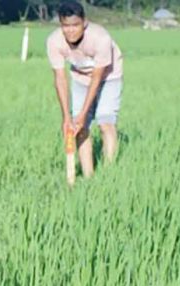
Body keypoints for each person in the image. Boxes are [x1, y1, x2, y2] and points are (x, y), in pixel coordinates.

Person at [46, 0, 123, 178]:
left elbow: (96, 78)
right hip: (80, 78)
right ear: (60, 24)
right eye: (66, 26)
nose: (71, 30)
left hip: (108, 76)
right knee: (78, 128)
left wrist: (83, 114)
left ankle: (109, 174)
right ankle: (89, 177)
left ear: (84, 23)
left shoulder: (100, 38)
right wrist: (67, 117)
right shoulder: (54, 41)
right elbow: (60, 78)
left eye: (75, 25)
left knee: (105, 122)